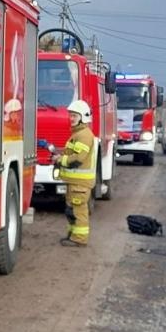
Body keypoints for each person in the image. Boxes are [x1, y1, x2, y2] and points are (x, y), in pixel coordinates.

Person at [55, 99, 97, 246]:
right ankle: (73, 235)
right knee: (71, 211)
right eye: (71, 115)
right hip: (74, 183)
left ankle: (79, 239)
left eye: (75, 116)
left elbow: (78, 158)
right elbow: (71, 154)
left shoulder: (84, 135)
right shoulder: (77, 134)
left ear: (83, 117)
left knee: (78, 212)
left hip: (80, 184)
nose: (71, 118)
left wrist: (61, 160)